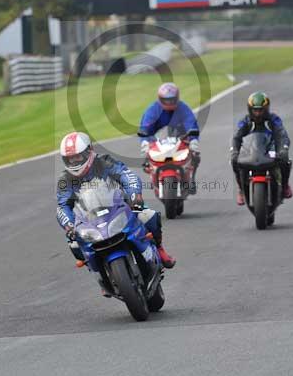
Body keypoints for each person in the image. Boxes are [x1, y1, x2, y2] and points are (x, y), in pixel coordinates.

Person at [56, 132, 176, 286]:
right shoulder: (65, 179)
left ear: (89, 151)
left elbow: (127, 176)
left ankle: (159, 249)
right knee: (73, 244)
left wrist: (135, 196)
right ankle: (101, 275)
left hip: (119, 206)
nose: (74, 161)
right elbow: (62, 205)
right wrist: (69, 225)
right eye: (70, 159)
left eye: (78, 157)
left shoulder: (104, 162)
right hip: (88, 219)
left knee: (149, 216)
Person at [230, 91, 293, 206]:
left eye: (260, 110)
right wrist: (234, 151)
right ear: (250, 109)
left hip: (269, 150)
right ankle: (241, 189)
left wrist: (283, 149)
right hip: (250, 152)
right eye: (255, 110)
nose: (258, 113)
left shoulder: (273, 119)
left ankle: (284, 186)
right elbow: (236, 137)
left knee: (285, 160)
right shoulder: (245, 121)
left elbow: (282, 134)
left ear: (266, 109)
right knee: (234, 161)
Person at [138, 82, 200, 194]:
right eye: (166, 100)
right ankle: (152, 171)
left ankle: (191, 179)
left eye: (172, 100)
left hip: (180, 131)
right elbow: (145, 126)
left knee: (194, 153)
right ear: (160, 99)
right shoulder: (153, 109)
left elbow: (191, 123)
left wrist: (193, 139)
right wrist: (145, 142)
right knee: (147, 152)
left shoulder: (183, 108)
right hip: (155, 134)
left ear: (177, 98)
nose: (169, 103)